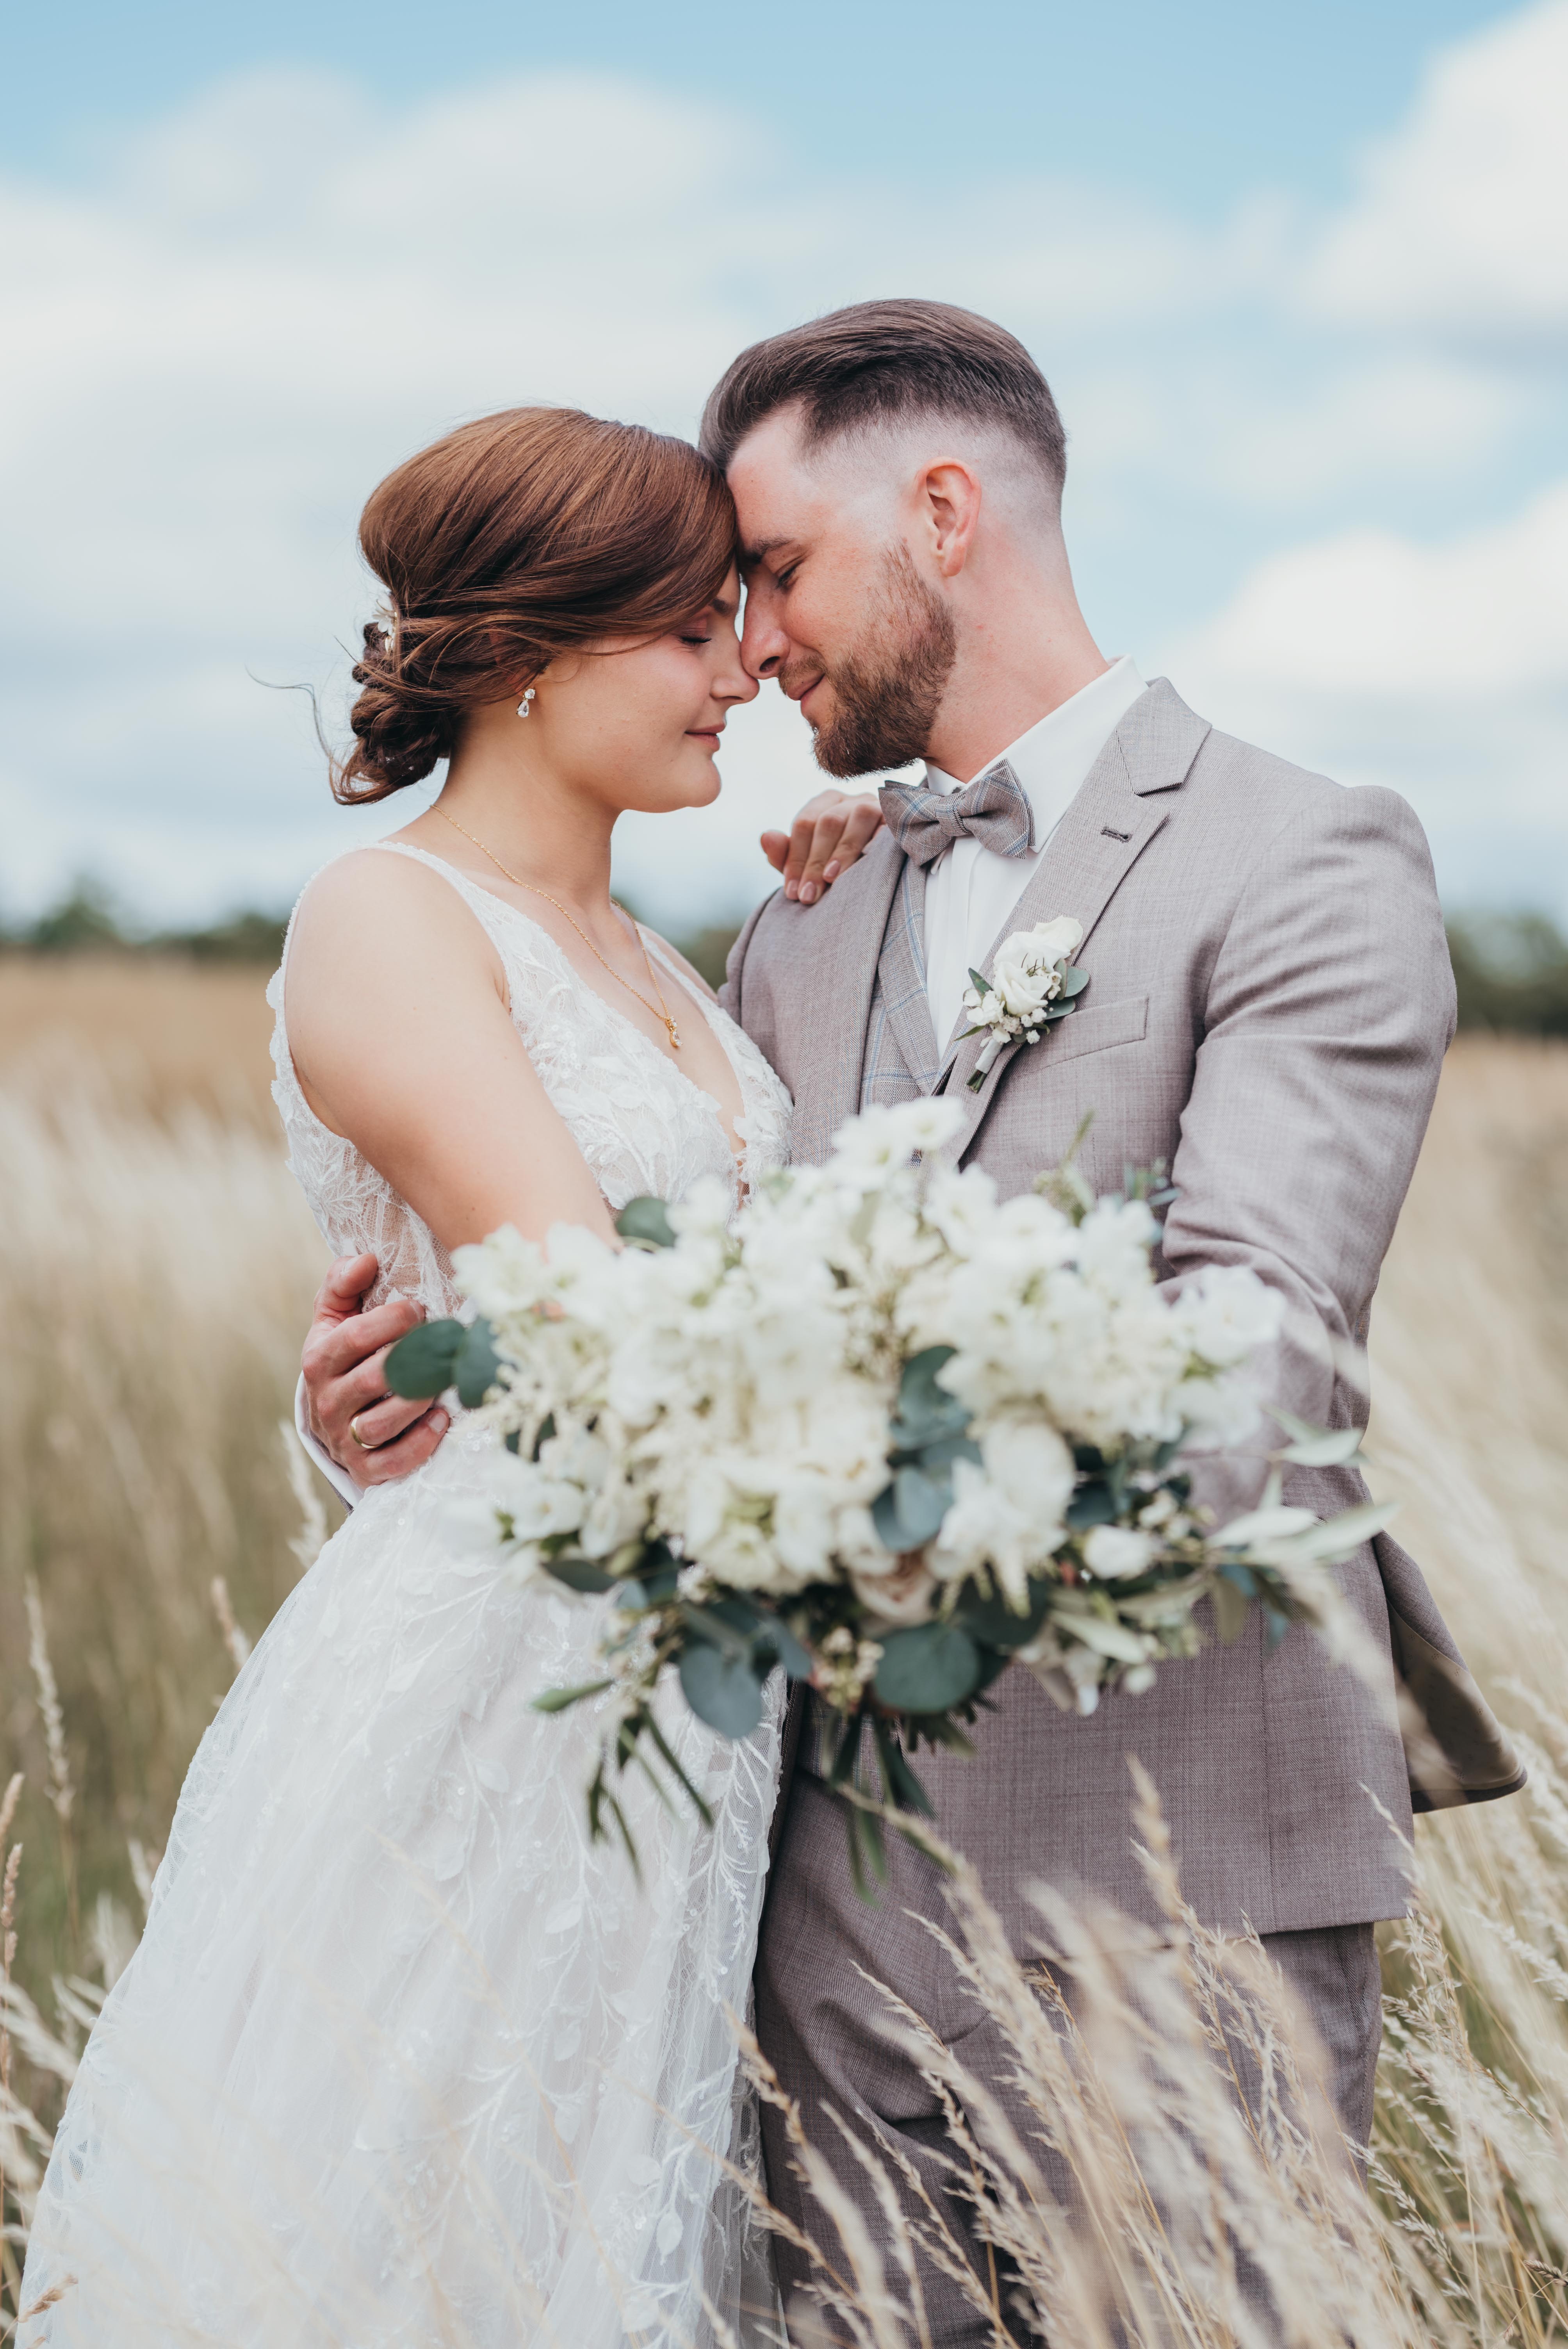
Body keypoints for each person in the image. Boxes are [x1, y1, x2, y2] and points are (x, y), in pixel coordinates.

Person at [299, 302, 1525, 2344]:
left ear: (942, 514)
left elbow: (1257, 1344)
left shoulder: (1307, 859)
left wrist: (866, 1533)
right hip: (809, 1904)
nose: (753, 645)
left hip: (1182, 1870)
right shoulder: (797, 917)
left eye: (772, 574)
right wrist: (436, 1397)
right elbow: (675, 1288)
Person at [20, 407, 798, 2347]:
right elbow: (568, 1290)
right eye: (696, 627)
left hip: (695, 1683)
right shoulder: (384, 913)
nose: (747, 666)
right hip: (501, 1695)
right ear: (534, 653)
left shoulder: (662, 951)